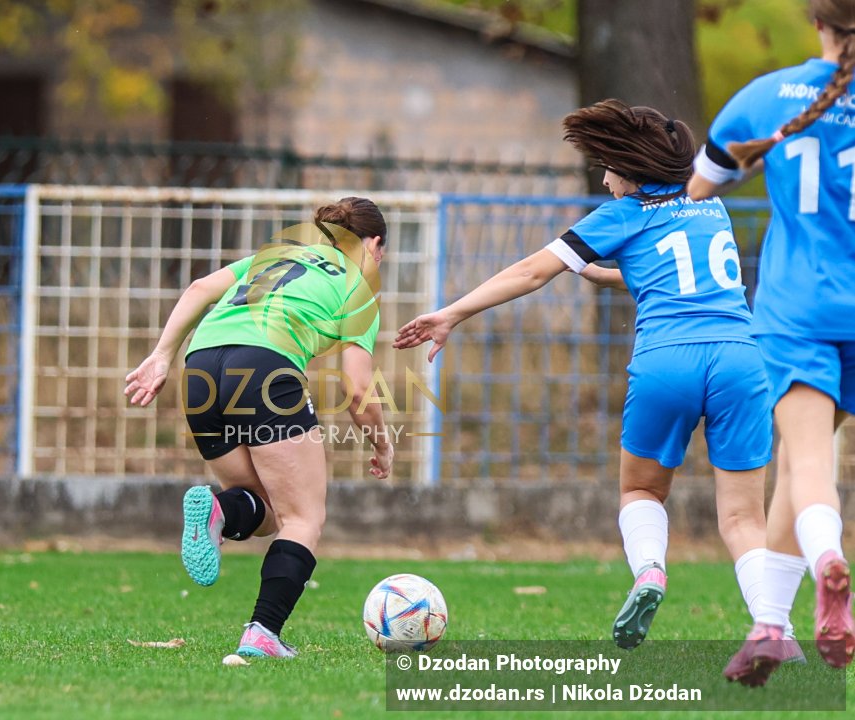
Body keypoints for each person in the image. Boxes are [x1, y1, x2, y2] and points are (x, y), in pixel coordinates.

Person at [395, 99, 797, 656]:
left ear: (628, 171)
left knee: (639, 489)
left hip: (667, 360)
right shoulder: (710, 208)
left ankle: (650, 571)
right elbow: (675, 279)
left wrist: (452, 313)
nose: (604, 180)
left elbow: (531, 272)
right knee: (743, 515)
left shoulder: (622, 213)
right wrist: (606, 272)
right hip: (740, 358)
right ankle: (777, 630)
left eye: (606, 168)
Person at [124, 197, 394, 659]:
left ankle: (220, 512)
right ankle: (263, 634)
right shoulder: (359, 286)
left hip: (202, 365)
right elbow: (358, 388)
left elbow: (198, 288)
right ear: (373, 244)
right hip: (265, 371)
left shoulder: (279, 252)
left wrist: (162, 355)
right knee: (304, 518)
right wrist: (382, 442)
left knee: (265, 512)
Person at [688, 0, 855, 684]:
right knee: (796, 465)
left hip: (796, 311)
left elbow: (695, 198)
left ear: (815, 20)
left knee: (809, 463)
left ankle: (828, 564)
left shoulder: (765, 99)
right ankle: (769, 628)